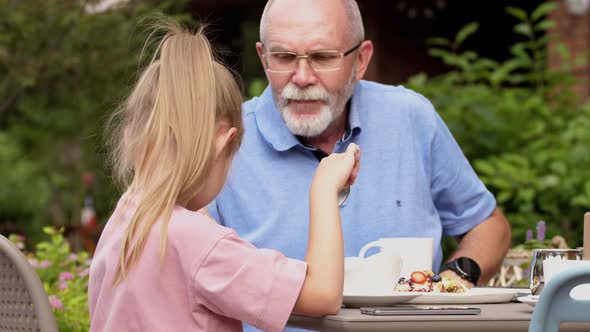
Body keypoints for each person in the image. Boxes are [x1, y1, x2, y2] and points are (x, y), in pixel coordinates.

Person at [208, 0, 512, 302]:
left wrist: (457, 276)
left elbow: (488, 226)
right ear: (263, 58)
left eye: (322, 57)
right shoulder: (225, 142)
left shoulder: (410, 118)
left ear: (361, 60)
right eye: (284, 57)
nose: (301, 78)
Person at [88, 18, 361, 332]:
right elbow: (323, 296)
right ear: (223, 141)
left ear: (132, 135)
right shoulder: (201, 245)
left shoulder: (127, 217)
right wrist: (324, 188)